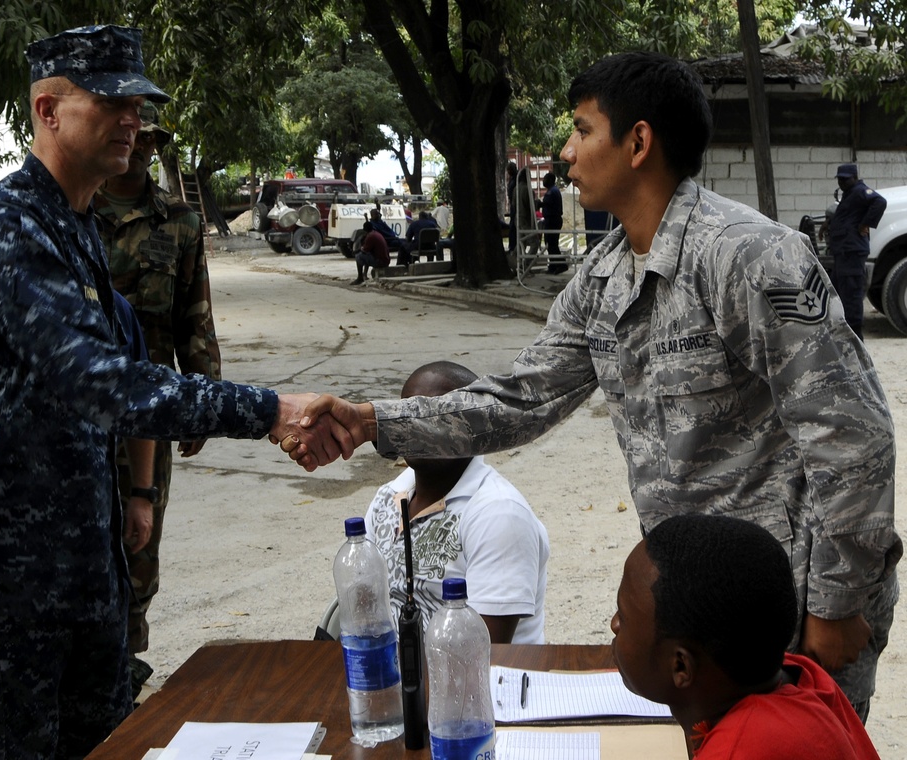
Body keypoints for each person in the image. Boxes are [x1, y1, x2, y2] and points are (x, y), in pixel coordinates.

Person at [291, 51, 901, 722]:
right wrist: (373, 420)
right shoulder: (603, 279)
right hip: (697, 603)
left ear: (638, 142)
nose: (566, 151)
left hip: (794, 596)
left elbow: (852, 435)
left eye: (582, 130)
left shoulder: (749, 257)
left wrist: (838, 600)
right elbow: (519, 400)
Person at [0, 24, 347, 758]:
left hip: (86, 581)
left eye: (138, 104)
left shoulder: (77, 226)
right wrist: (271, 409)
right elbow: (98, 381)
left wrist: (139, 500)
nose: (132, 120)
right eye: (111, 102)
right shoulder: (9, 226)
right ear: (49, 111)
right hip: (4, 594)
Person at [93, 110, 220, 698]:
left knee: (142, 541)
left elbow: (195, 315)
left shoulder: (180, 222)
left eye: (151, 139)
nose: (141, 147)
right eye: (134, 136)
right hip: (82, 409)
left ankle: (127, 659)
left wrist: (203, 396)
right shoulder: (74, 210)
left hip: (149, 407)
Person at [613, 513, 881, 759]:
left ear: (681, 666)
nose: (614, 625)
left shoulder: (738, 751)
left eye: (622, 618)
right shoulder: (799, 675)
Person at [364, 361, 549, 644]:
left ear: (474, 427)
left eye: (439, 418)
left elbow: (483, 658)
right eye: (408, 415)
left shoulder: (499, 514)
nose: (419, 428)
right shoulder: (388, 497)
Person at [819, 164, 886, 340]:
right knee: (839, 291)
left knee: (852, 294)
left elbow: (880, 202)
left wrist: (866, 223)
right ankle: (843, 332)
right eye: (840, 179)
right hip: (844, 252)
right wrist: (829, 224)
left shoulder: (859, 191)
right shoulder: (849, 194)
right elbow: (847, 216)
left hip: (852, 252)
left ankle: (855, 336)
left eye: (845, 179)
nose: (842, 182)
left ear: (855, 177)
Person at [540, 171, 567, 274]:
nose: (543, 181)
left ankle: (561, 265)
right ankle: (553, 266)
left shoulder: (553, 191)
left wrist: (540, 204)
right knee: (549, 243)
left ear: (550, 180)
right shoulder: (551, 190)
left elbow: (548, 203)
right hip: (550, 219)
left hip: (553, 220)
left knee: (552, 244)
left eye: (545, 179)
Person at [505, 161, 518, 256]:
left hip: (515, 207)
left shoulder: (516, 180)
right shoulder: (514, 179)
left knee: (513, 228)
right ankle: (513, 247)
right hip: (513, 207)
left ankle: (513, 248)